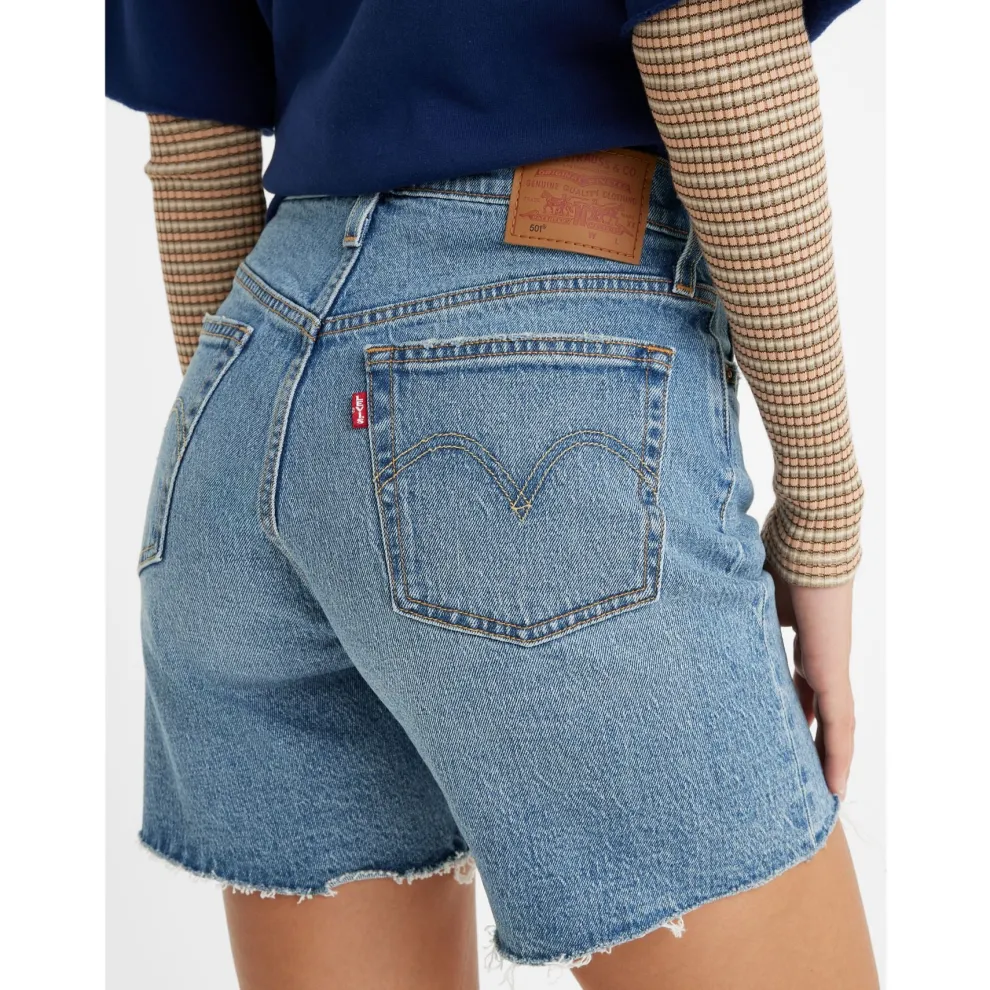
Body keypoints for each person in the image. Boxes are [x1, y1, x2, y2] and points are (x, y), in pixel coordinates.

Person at [107, 1, 878, 986]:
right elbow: (711, 34)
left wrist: (307, 478)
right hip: (531, 363)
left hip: (242, 395)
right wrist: (823, 513)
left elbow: (193, 134)